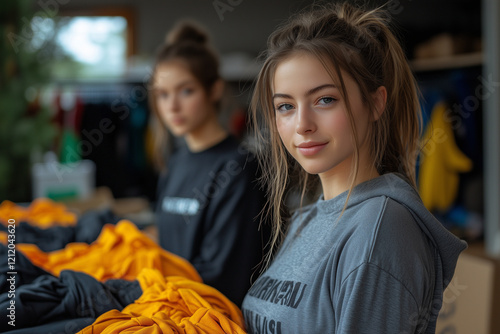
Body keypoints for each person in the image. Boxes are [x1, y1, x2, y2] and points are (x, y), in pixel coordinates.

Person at [242, 2, 467, 333]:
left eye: (325, 100)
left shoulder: (380, 229)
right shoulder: (307, 217)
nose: (302, 124)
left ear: (375, 103)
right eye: (286, 106)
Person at [149, 21, 268, 307]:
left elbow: (223, 278)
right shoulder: (176, 161)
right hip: (166, 302)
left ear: (214, 90)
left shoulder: (239, 168)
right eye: (163, 94)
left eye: (185, 91)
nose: (172, 106)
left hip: (205, 314)